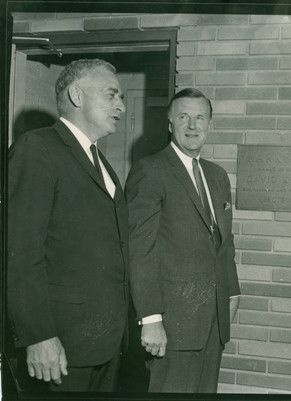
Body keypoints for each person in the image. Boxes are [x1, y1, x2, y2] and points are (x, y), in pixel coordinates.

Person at [7, 59, 129, 392]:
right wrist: (38, 335)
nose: (120, 105)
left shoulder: (99, 160)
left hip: (103, 343)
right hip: (60, 346)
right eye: (111, 95)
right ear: (76, 95)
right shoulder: (37, 149)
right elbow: (19, 252)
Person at [125, 88, 240, 393]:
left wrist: (232, 295)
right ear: (170, 124)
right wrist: (150, 318)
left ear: (210, 124)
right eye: (183, 117)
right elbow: (140, 249)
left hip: (213, 322)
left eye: (200, 117)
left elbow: (224, 244)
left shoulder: (216, 175)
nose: (192, 126)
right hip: (171, 325)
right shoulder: (150, 170)